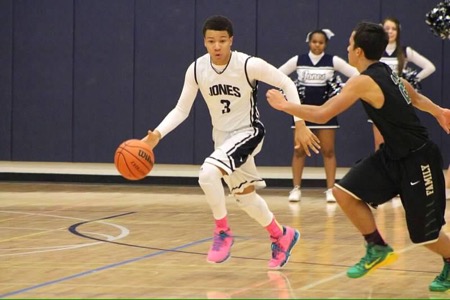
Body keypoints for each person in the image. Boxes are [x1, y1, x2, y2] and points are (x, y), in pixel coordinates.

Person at [266, 22, 450, 292]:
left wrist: (285, 106)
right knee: (344, 192)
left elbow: (322, 114)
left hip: (418, 160)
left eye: (351, 44)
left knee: (426, 236)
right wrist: (438, 111)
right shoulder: (385, 71)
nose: (347, 48)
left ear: (360, 52)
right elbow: (412, 94)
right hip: (392, 156)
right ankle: (377, 247)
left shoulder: (363, 81)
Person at [142, 15, 320, 269]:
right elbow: (181, 110)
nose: (217, 46)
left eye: (222, 41)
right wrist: (157, 135)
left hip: (249, 131)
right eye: (211, 41)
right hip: (223, 139)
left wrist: (299, 123)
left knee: (207, 174)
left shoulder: (247, 64)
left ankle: (222, 232)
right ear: (204, 42)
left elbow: (286, 83)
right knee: (246, 198)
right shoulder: (196, 69)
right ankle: (281, 235)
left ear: (231, 41)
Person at [279, 29, 359, 203]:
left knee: (328, 151)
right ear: (309, 42)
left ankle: (330, 189)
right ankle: (296, 188)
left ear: (326, 44)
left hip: (327, 111)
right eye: (314, 42)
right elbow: (279, 74)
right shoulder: (298, 60)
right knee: (299, 151)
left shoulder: (333, 61)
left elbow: (357, 75)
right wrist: (290, 90)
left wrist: (341, 89)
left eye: (321, 42)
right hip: (303, 112)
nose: (317, 45)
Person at [371, 17, 436, 151]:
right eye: (387, 28)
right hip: (378, 98)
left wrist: (412, 80)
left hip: (398, 99)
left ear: (398, 31)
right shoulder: (375, 51)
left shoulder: (405, 51)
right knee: (379, 143)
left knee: (399, 141)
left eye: (393, 29)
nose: (390, 31)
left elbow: (430, 67)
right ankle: (382, 171)